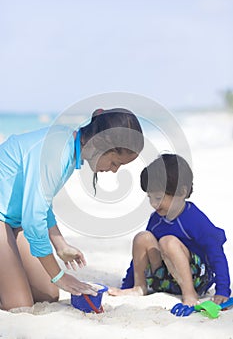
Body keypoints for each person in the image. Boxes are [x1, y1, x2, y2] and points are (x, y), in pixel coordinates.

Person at [0, 107, 144, 311]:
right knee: (19, 306)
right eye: (114, 162)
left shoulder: (70, 147)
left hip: (13, 220)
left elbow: (41, 203)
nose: (113, 170)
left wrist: (60, 245)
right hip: (5, 218)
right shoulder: (57, 151)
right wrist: (59, 276)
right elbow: (33, 219)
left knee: (48, 295)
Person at [108, 154, 231, 306]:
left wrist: (223, 290)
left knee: (168, 242)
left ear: (182, 192)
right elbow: (140, 257)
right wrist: (126, 285)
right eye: (150, 198)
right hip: (164, 279)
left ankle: (189, 293)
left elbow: (215, 252)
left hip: (196, 279)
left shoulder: (194, 218)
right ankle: (139, 287)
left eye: (158, 198)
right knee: (142, 237)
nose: (153, 204)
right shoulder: (156, 219)